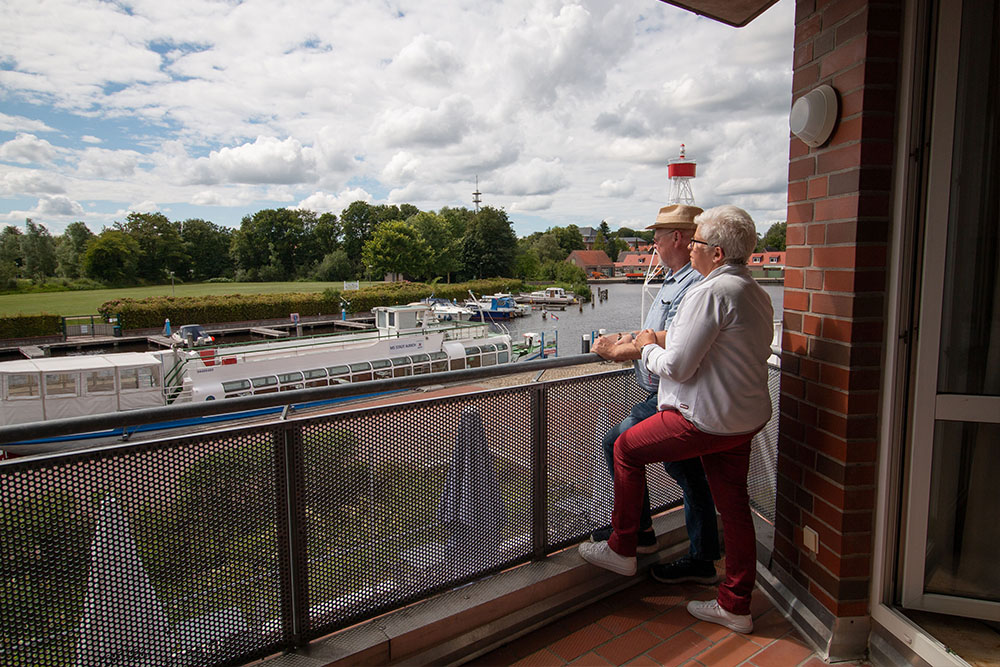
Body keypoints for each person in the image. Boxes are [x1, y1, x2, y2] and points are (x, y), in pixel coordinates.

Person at [579, 205, 773, 634]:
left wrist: (646, 347)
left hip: (704, 418)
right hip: (743, 420)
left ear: (716, 252)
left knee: (624, 446)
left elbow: (679, 365)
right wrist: (652, 339)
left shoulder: (708, 292)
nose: (693, 248)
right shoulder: (753, 291)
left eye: (699, 242)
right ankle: (736, 605)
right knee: (735, 507)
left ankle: (623, 546)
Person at [589, 203, 721, 585]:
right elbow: (655, 334)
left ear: (677, 237)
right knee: (687, 470)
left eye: (657, 237)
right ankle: (702, 556)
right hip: (668, 391)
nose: (652, 246)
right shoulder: (676, 279)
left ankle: (633, 537)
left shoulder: (693, 286)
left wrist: (618, 350)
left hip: (672, 392)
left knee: (617, 441)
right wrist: (627, 340)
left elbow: (675, 341)